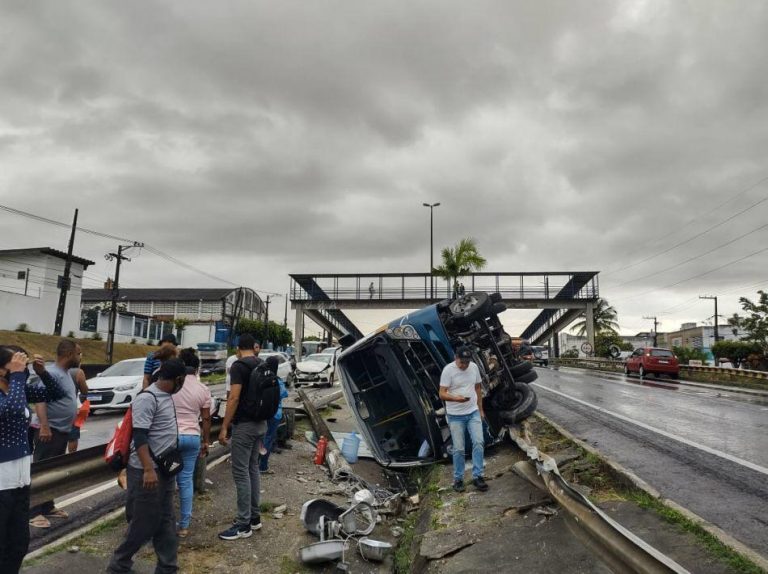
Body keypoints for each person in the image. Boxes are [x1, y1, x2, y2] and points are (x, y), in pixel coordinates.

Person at [108, 358, 187, 574]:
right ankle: (119, 565)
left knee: (166, 521)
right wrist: (148, 469)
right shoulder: (148, 398)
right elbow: (139, 437)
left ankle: (167, 567)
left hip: (164, 470)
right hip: (147, 472)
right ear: (177, 379)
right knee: (143, 523)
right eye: (182, 382)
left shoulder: (166, 396)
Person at [0, 347, 65, 573]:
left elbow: (56, 393)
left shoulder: (17, 388)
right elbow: (12, 410)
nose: (21, 370)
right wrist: (18, 376)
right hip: (1, 483)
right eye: (15, 365)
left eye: (23, 366)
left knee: (18, 545)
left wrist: (42, 373)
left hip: (20, 480)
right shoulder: (12, 391)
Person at [218, 334, 266, 541]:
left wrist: (224, 426)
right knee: (252, 467)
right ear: (253, 347)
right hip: (261, 424)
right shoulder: (262, 364)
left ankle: (242, 524)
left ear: (238, 348)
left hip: (244, 425)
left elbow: (234, 397)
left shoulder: (239, 366)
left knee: (240, 472)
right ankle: (254, 518)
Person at [29, 340, 82, 528]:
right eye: (78, 353)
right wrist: (44, 426)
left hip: (61, 431)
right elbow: (40, 401)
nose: (80, 357)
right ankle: (33, 511)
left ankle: (47, 505)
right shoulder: (50, 373)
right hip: (49, 431)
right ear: (68, 354)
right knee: (42, 470)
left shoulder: (65, 374)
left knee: (53, 470)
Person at [173, 348, 212, 538]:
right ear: (197, 369)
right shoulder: (203, 389)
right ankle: (184, 525)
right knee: (186, 479)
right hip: (192, 438)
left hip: (170, 438)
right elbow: (206, 419)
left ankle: (165, 520)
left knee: (167, 478)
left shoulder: (172, 385)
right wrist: (206, 442)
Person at [438, 346, 488, 493]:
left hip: (473, 412)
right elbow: (441, 393)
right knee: (459, 448)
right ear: (456, 358)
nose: (465, 365)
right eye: (462, 362)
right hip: (455, 416)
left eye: (467, 362)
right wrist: (456, 398)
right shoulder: (448, 370)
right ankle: (458, 479)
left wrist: (480, 409)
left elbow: (478, 388)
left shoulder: (473, 368)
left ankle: (478, 476)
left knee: (479, 442)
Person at [258, 357, 288, 474]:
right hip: (275, 414)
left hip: (261, 413)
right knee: (268, 439)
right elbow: (284, 393)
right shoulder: (277, 380)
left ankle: (255, 464)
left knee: (259, 438)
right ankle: (263, 466)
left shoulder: (261, 378)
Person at [67, 367, 89, 453]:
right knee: (72, 437)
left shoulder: (54, 369)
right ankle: (71, 459)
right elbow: (85, 391)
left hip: (56, 409)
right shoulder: (78, 372)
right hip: (72, 408)